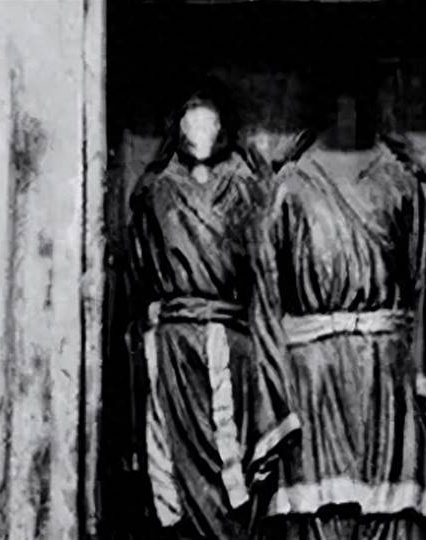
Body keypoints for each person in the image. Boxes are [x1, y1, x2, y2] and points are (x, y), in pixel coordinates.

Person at [248, 123, 426, 539]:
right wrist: (275, 406)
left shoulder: (399, 183)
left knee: (393, 511)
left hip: (386, 378)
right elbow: (265, 301)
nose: (345, 107)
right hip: (314, 379)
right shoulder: (289, 187)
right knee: (317, 510)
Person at [125, 79, 299, 539]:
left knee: (230, 462)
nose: (199, 134)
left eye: (209, 124)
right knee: (177, 463)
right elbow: (138, 271)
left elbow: (266, 265)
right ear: (178, 130)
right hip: (174, 347)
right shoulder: (157, 190)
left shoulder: (244, 187)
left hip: (229, 342)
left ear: (223, 129)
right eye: (191, 124)